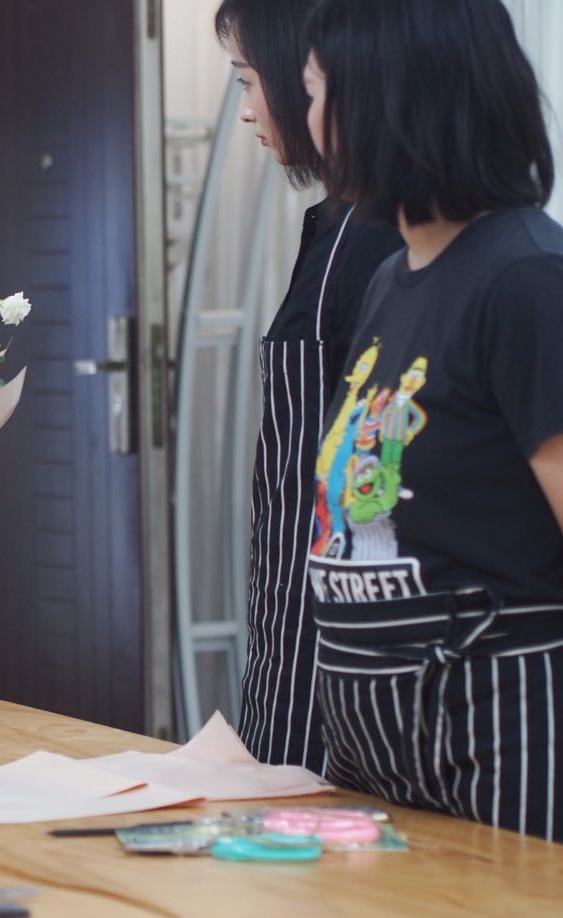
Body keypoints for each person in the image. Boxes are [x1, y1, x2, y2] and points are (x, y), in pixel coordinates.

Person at [302, 0, 563, 841]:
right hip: (381, 747)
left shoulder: (527, 278)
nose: (310, 122)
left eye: (317, 92)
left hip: (501, 737)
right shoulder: (392, 279)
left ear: (389, 99)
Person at [215, 0, 401, 773]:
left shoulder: (380, 241)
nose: (251, 111)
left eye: (253, 82)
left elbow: (376, 485)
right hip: (290, 626)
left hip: (342, 649)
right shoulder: (335, 224)